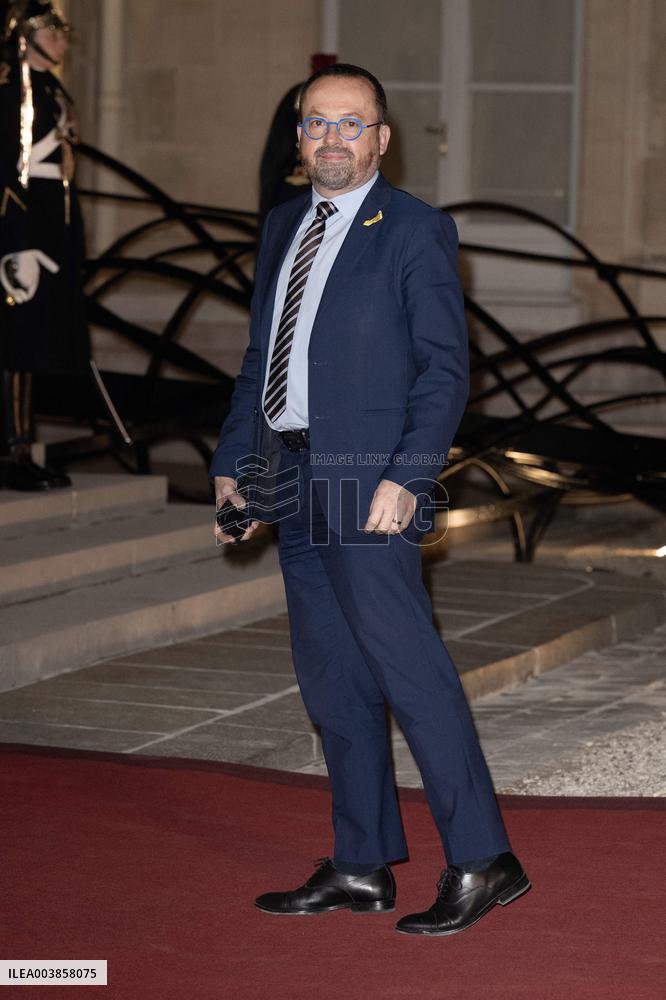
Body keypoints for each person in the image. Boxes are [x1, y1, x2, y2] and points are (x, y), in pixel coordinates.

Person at [210, 63, 531, 937]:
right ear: (300, 137)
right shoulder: (282, 226)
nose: (333, 140)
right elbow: (257, 362)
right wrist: (235, 463)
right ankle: (361, 863)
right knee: (333, 679)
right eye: (317, 124)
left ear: (382, 139)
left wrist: (408, 474)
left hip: (369, 477)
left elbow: (445, 368)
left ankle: (482, 857)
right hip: (292, 475)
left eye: (352, 125)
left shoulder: (415, 230)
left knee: (410, 670)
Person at [0, 0, 89, 490]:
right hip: (21, 230)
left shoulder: (53, 88)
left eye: (61, 32)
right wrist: (19, 240)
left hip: (51, 227)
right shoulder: (11, 90)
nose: (60, 42)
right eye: (50, 33)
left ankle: (24, 449)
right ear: (24, 37)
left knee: (34, 345)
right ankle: (12, 452)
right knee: (16, 345)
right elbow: (12, 171)